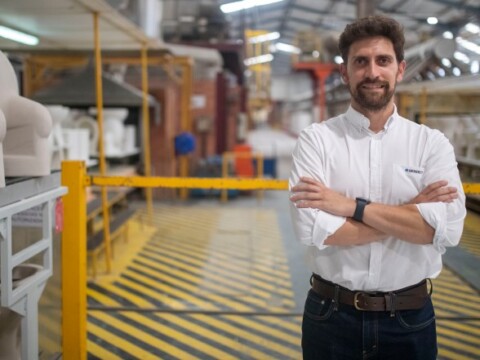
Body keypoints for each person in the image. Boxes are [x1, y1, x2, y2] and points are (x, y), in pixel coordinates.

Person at [289, 15, 466, 360]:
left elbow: (447, 229)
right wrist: (410, 212)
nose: (372, 72)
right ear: (345, 73)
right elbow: (311, 229)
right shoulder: (317, 141)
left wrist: (350, 207)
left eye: (382, 61)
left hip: (409, 319)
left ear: (400, 69)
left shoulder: (431, 144)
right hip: (330, 317)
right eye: (361, 62)